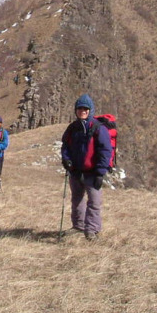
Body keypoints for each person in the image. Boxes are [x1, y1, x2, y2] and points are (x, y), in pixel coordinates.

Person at [60, 94, 113, 241]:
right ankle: (78, 226)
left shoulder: (98, 128)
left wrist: (100, 172)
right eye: (80, 108)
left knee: (94, 202)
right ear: (75, 110)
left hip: (93, 172)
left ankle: (92, 230)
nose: (82, 111)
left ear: (90, 110)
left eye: (85, 108)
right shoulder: (72, 128)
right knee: (77, 199)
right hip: (76, 171)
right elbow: (65, 146)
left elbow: (105, 150)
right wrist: (66, 160)